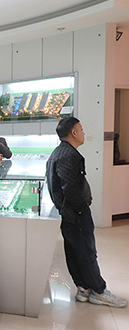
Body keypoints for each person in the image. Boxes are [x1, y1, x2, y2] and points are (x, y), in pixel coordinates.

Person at [46, 117, 127, 308]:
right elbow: (71, 188)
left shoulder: (59, 152)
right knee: (87, 252)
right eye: (81, 129)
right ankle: (99, 290)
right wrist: (81, 208)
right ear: (73, 133)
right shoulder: (69, 155)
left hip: (68, 213)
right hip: (76, 213)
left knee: (75, 251)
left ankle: (83, 288)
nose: (83, 133)